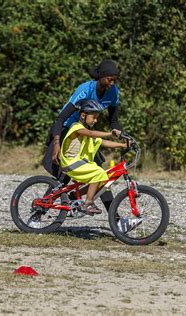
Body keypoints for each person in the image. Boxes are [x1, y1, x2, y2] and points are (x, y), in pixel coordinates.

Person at [43, 59, 122, 212]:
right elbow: (61, 118)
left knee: (100, 174)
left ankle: (116, 220)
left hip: (86, 133)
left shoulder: (113, 92)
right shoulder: (85, 90)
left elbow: (114, 121)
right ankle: (40, 210)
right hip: (68, 130)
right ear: (101, 77)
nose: (112, 83)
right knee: (63, 177)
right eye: (109, 79)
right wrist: (57, 143)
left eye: (114, 80)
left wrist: (121, 135)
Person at [59, 99, 127, 214]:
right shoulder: (76, 127)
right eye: (93, 117)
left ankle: (76, 195)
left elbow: (102, 142)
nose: (95, 120)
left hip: (79, 163)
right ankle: (88, 203)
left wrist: (123, 145)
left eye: (97, 118)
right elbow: (91, 133)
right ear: (83, 116)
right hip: (70, 163)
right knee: (98, 173)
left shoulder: (87, 132)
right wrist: (111, 133)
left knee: (104, 179)